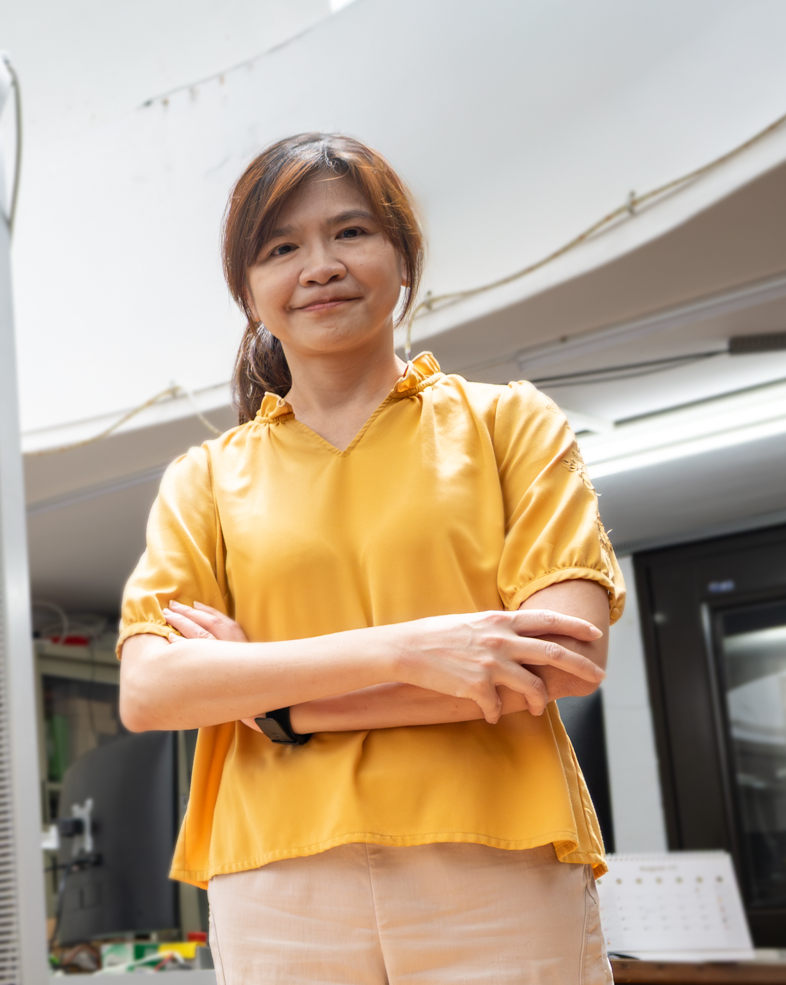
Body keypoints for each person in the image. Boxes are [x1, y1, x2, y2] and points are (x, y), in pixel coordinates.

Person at [118, 132, 620, 985]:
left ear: (402, 257)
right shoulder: (205, 477)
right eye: (282, 249)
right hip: (275, 872)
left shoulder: (512, 425)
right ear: (249, 290)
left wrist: (276, 707)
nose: (320, 266)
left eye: (351, 233)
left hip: (496, 849)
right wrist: (412, 650)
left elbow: (563, 658)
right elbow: (152, 690)